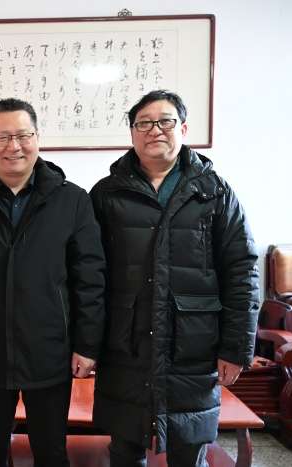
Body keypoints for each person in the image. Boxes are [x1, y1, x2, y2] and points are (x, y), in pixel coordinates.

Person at [89, 90, 260, 467]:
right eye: (144, 123)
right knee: (124, 448)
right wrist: (86, 343)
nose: (155, 130)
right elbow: (88, 275)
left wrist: (236, 348)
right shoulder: (106, 194)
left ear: (183, 129)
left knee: (189, 450)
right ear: (132, 133)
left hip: (193, 345)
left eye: (165, 121)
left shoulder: (215, 192)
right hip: (125, 343)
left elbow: (242, 271)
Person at [0, 98, 106, 467]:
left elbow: (90, 279)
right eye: (2, 137)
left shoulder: (71, 200)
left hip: (50, 351)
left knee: (51, 451)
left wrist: (87, 345)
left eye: (22, 135)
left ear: (37, 139)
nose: (13, 146)